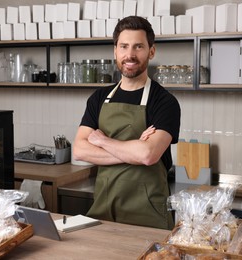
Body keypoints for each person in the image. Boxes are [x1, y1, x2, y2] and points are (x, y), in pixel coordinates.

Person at [73, 16, 181, 230]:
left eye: (138, 46)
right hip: (103, 210)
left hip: (147, 215)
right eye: (124, 46)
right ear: (115, 51)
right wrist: (133, 150)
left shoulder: (164, 102)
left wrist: (103, 141)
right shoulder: (99, 98)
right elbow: (80, 150)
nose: (130, 55)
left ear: (151, 51)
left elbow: (148, 155)